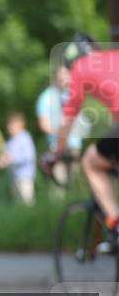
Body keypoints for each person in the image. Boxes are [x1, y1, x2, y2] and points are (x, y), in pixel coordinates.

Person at [48, 33, 119, 254]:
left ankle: (116, 226)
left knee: (91, 162)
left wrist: (56, 154)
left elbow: (68, 121)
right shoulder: (114, 56)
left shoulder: (79, 69)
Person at [36, 64, 83, 189]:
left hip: (74, 146)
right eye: (60, 75)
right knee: (59, 185)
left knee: (76, 185)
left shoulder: (72, 94)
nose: (63, 78)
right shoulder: (46, 98)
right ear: (55, 77)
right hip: (56, 148)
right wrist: (62, 132)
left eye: (65, 75)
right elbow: (44, 125)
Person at [0, 112, 36, 205]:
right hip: (14, 178)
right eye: (9, 125)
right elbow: (6, 157)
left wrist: (13, 159)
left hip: (25, 177)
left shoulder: (25, 138)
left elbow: (29, 156)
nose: (10, 127)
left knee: (27, 203)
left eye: (12, 124)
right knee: (18, 205)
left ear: (21, 124)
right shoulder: (10, 142)